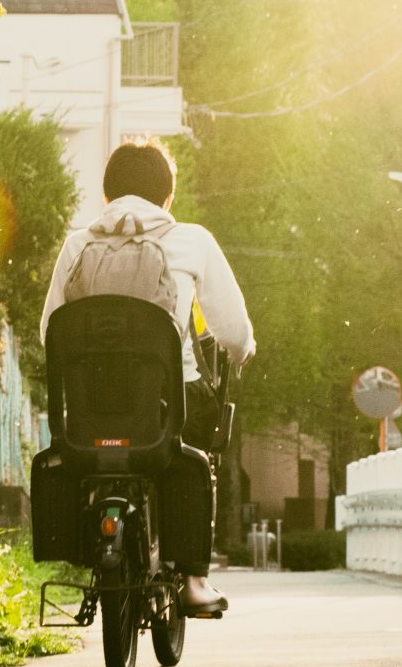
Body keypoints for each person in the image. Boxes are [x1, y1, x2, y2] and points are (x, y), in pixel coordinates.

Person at [41, 139, 254, 617]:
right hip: (169, 403)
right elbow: (234, 331)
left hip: (92, 404)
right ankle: (195, 579)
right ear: (167, 198)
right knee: (196, 457)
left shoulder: (78, 244)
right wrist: (240, 356)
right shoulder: (192, 240)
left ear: (107, 195)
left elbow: (49, 330)